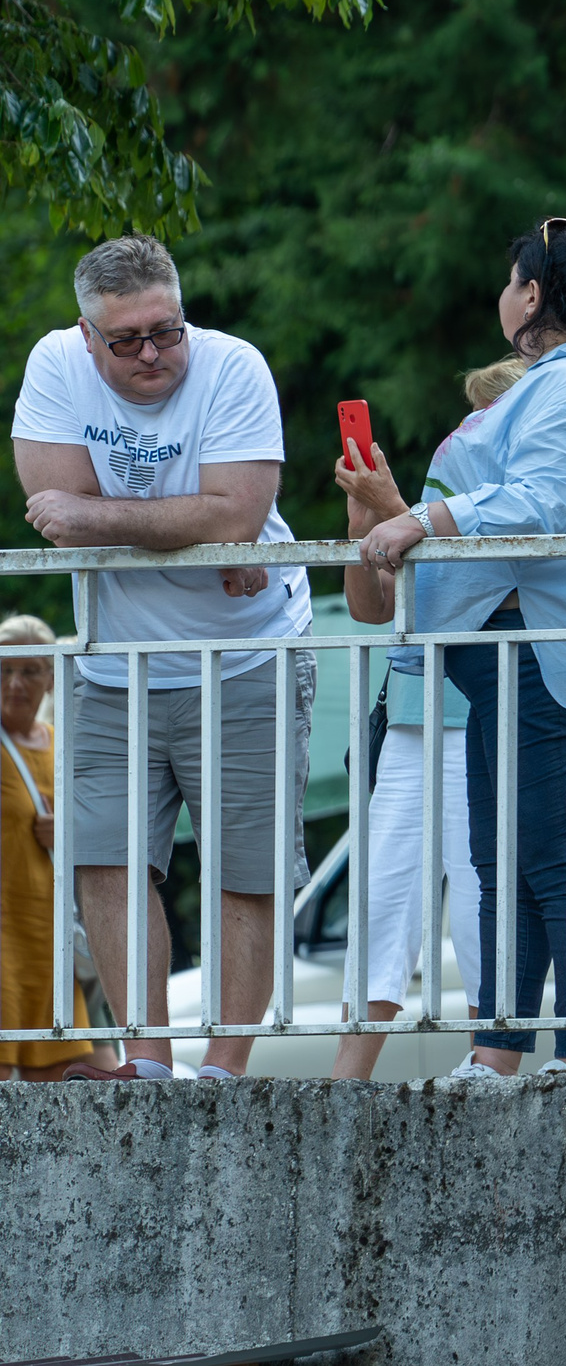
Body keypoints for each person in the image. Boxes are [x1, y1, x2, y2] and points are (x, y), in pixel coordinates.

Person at [11, 235, 316, 1082]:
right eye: (127, 341)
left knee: (244, 869)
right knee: (105, 861)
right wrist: (201, 521)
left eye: (167, 330)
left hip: (247, 649)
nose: (153, 353)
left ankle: (223, 1070)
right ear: (84, 335)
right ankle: (146, 1063)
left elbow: (235, 515)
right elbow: (50, 502)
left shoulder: (235, 368)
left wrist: (115, 514)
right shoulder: (52, 366)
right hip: (116, 662)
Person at [359, 217, 566, 1077]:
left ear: (531, 295)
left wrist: (424, 518)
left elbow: (538, 505)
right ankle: (500, 1047)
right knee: (506, 861)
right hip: (524, 650)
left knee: (552, 858)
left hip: (547, 650)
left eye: (508, 281)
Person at [329, 355, 522, 1079]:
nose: (469, 427)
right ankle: (347, 1081)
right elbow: (370, 609)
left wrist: (398, 506)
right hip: (415, 710)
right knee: (384, 893)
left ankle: (491, 1064)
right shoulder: (450, 477)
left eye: (484, 415)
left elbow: (475, 580)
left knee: (483, 893)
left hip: (487, 705)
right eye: (468, 415)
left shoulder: (522, 486)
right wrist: (365, 527)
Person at [0, 614, 98, 1080]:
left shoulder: (63, 746)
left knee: (75, 1082)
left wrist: (70, 833)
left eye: (31, 670)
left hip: (49, 938)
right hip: (3, 937)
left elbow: (106, 833)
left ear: (52, 678)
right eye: (4, 669)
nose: (16, 683)